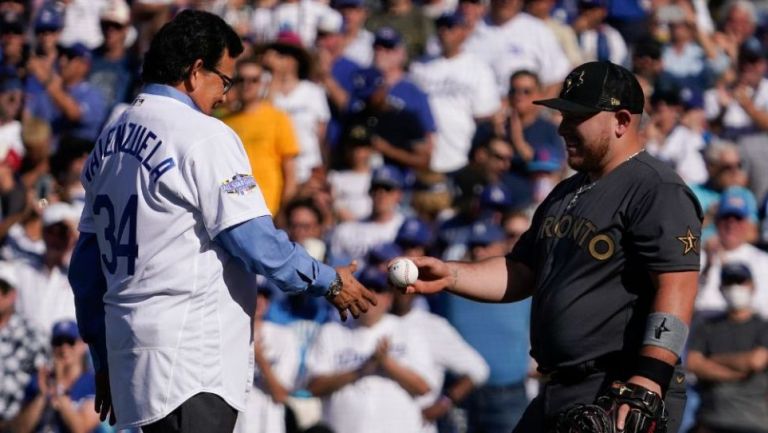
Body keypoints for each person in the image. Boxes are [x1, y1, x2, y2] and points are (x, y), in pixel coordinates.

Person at [67, 10, 376, 433]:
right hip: (190, 359)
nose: (225, 96)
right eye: (224, 81)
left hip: (133, 352)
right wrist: (330, 281)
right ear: (196, 71)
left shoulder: (111, 135)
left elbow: (86, 269)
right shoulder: (205, 134)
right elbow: (252, 240)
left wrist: (103, 356)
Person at [397, 61, 703, 433]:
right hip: (562, 389)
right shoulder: (566, 192)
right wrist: (452, 274)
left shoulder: (655, 188)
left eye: (577, 117)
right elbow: (523, 271)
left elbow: (677, 284)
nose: (562, 128)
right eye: (563, 115)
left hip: (618, 388)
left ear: (622, 120)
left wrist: (650, 376)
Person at [687, 262, 768, 433]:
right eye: (730, 282)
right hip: (710, 420)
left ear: (752, 286)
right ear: (721, 288)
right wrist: (737, 371)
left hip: (752, 423)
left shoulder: (763, 327)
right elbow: (693, 363)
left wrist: (711, 360)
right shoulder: (707, 325)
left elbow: (755, 361)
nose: (735, 288)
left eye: (740, 282)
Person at [224, 55, 300, 214]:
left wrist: (284, 212)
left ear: (262, 83)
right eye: (241, 79)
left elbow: (290, 171)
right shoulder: (224, 122)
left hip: (269, 209)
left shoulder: (278, 118)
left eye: (254, 80)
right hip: (235, 210)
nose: (247, 85)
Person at [12, 319, 101, 433]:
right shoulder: (39, 381)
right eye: (58, 342)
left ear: (82, 345)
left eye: (70, 341)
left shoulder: (95, 384)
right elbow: (20, 429)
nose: (64, 348)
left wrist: (59, 388)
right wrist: (41, 397)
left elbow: (80, 428)